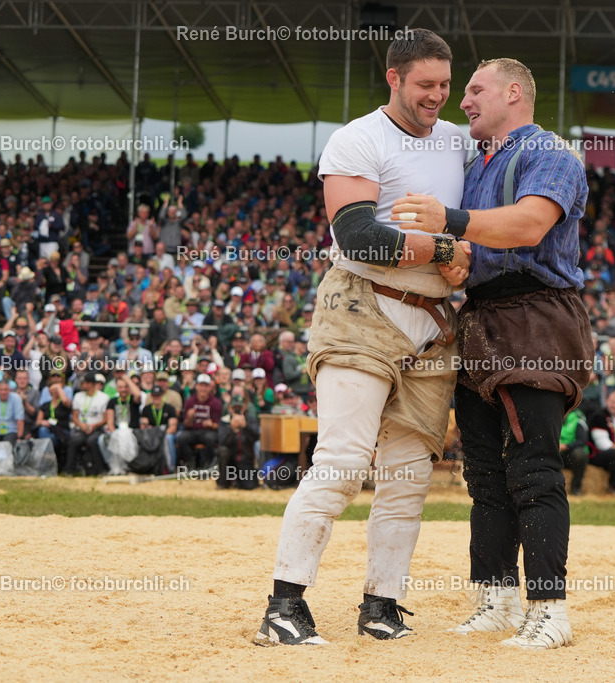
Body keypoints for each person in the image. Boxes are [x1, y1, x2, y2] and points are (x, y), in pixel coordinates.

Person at [258, 29, 470, 647]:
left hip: (430, 323)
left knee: (408, 477)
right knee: (344, 462)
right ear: (394, 77)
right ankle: (284, 607)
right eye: (425, 84)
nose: (437, 96)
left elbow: (481, 224)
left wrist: (463, 255)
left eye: (445, 86)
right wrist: (447, 247)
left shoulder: (459, 141)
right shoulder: (359, 137)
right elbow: (360, 238)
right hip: (361, 304)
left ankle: (381, 605)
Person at [391, 57, 593, 648]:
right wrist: (453, 256)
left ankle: (550, 611)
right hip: (477, 317)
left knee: (532, 468)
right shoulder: (476, 161)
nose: (464, 102)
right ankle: (497, 598)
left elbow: (529, 226)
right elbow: (474, 250)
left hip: (537, 318)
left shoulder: (551, 151)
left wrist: (449, 222)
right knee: (483, 473)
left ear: (513, 92)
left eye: (474, 90)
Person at [64, 373, 109, 476]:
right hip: (82, 427)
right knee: (74, 440)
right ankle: (69, 470)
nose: (81, 385)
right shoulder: (78, 396)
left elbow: (105, 419)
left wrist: (93, 426)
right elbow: (74, 416)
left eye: (83, 383)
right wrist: (82, 425)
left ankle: (101, 470)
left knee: (92, 441)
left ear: (91, 384)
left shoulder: (103, 397)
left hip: (97, 427)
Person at [176, 374, 221, 470]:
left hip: (208, 431)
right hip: (192, 430)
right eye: (201, 385)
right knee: (182, 438)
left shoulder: (215, 402)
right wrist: (189, 417)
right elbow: (186, 424)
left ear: (210, 387)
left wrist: (211, 425)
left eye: (206, 386)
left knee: (210, 438)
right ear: (196, 386)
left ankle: (207, 464)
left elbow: (217, 425)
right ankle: (190, 462)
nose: (203, 389)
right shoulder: (190, 401)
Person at [558, 406, 588, 496]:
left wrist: (566, 446)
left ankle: (576, 488)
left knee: (579, 454)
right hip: (553, 453)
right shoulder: (547, 417)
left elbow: (583, 440)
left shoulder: (577, 418)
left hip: (569, 454)